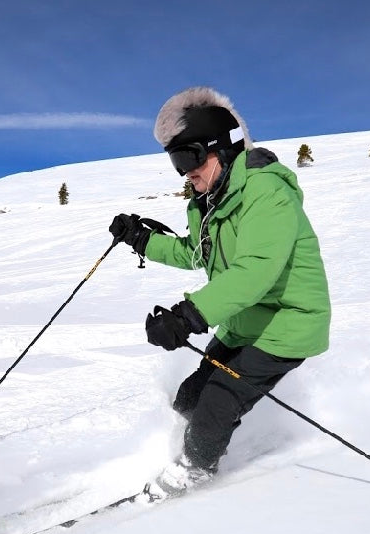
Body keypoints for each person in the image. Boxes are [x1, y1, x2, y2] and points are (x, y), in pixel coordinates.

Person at [108, 86, 331, 500]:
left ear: (222, 148)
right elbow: (196, 254)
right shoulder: (207, 203)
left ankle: (192, 478)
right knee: (190, 397)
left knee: (218, 400)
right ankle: (196, 448)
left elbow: (256, 270)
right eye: (177, 162)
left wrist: (189, 315)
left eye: (191, 158)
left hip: (288, 324)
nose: (185, 172)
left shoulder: (266, 192)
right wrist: (142, 240)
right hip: (244, 324)